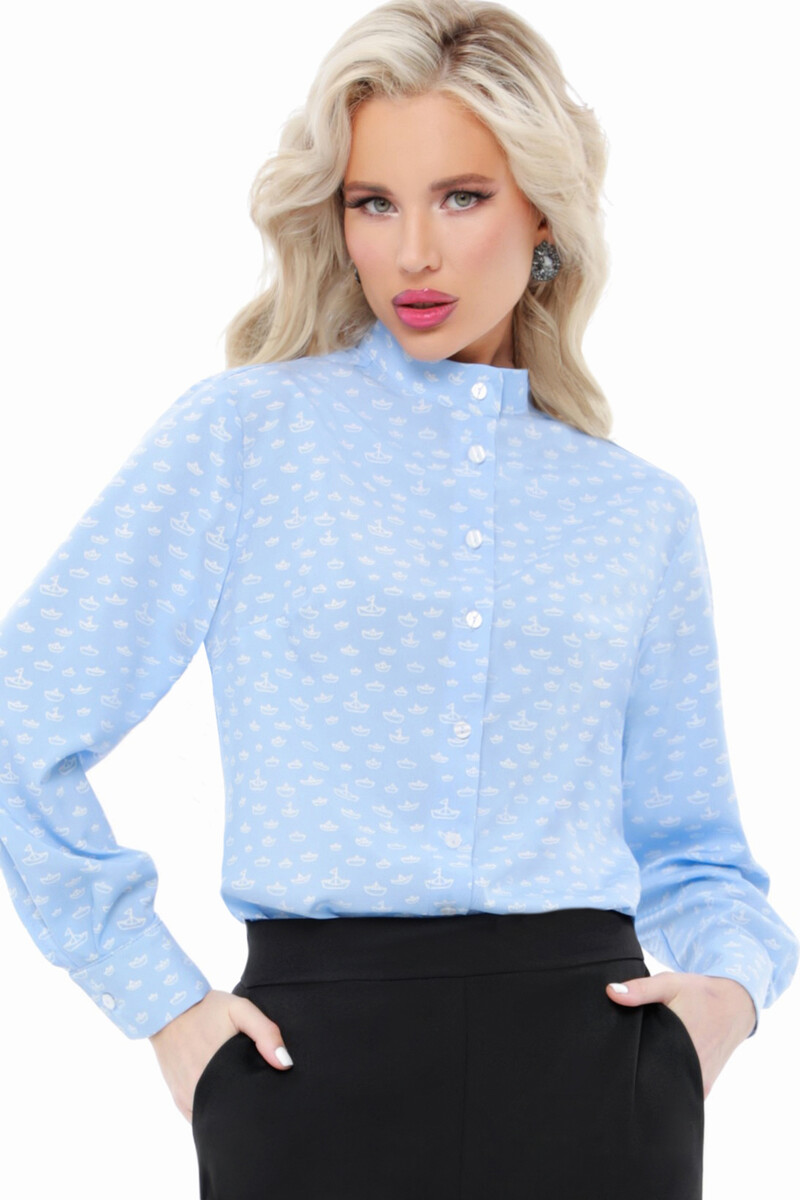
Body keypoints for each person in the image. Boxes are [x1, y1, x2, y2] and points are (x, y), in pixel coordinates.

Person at [0, 1, 796, 1197]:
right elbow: (20, 712)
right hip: (308, 1076)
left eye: (460, 197)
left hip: (596, 1085)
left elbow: (696, 849)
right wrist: (162, 1003)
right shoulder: (245, 439)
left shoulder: (636, 511)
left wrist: (720, 1005)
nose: (412, 252)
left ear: (542, 212)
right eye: (373, 203)